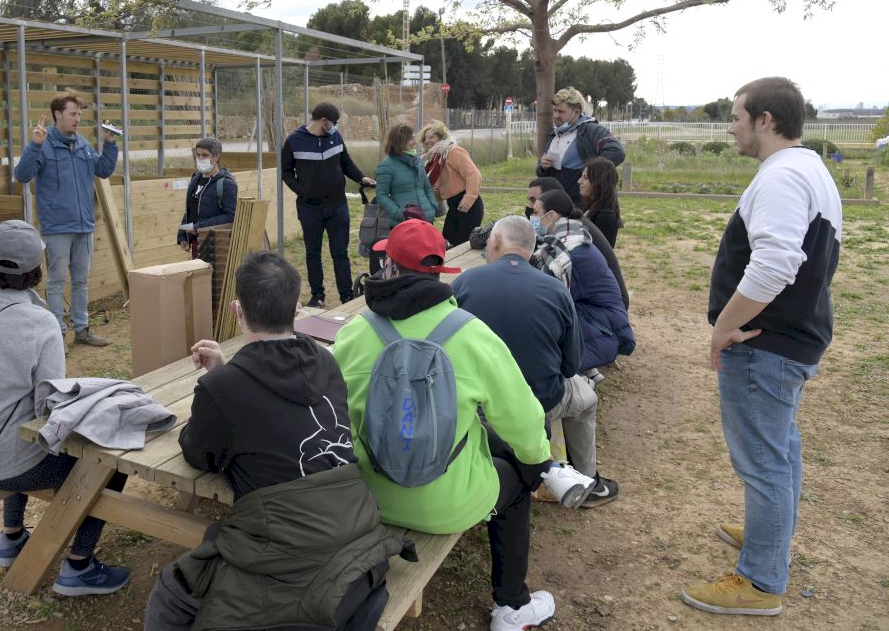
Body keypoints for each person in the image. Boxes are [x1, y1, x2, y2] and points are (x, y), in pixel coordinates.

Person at [333, 219, 595, 631]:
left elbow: (329, 409)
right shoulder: (472, 334)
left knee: (493, 440)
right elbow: (524, 420)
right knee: (516, 477)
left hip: (368, 495)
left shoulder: (355, 332)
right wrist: (536, 460)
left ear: (389, 267)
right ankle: (511, 606)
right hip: (448, 504)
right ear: (440, 272)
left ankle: (547, 471)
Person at [145, 251, 409, 631]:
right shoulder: (326, 362)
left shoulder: (223, 387)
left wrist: (216, 383)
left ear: (237, 310)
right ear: (297, 308)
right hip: (358, 527)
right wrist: (223, 375)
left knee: (171, 596)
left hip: (294, 555)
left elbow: (199, 452)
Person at [681, 78, 842, 617]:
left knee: (764, 462)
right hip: (789, 338)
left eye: (736, 117)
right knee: (781, 448)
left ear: (765, 120)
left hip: (764, 344)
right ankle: (767, 534)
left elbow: (776, 263)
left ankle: (761, 580)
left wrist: (724, 327)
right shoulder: (808, 168)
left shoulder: (782, 177)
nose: (730, 128)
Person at [0, 220, 129, 597]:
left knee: (9, 420)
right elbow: (49, 408)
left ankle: (11, 536)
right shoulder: (40, 322)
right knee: (110, 462)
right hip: (5, 467)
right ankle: (79, 565)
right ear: (35, 270)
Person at [453, 216, 619, 508]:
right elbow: (571, 365)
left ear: (495, 241)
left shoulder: (463, 282)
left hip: (477, 404)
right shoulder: (556, 290)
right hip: (539, 401)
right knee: (587, 399)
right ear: (531, 249)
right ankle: (588, 481)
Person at [13, 92, 118, 347]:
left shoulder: (82, 144)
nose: (77, 118)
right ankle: (57, 334)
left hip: (84, 225)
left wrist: (110, 143)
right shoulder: (44, 144)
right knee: (57, 282)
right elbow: (22, 175)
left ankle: (82, 330)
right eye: (73, 113)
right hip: (57, 227)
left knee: (81, 281)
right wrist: (34, 145)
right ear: (58, 114)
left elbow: (103, 170)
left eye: (79, 114)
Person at [281, 102, 376, 308]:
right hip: (309, 208)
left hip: (337, 205)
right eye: (335, 122)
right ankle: (317, 295)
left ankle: (346, 295)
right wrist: (301, 190)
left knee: (340, 252)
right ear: (324, 121)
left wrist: (361, 178)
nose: (336, 126)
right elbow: (285, 171)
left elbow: (346, 162)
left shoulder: (335, 137)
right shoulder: (294, 140)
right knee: (312, 252)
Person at [532, 190, 635, 374]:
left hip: (605, 327)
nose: (532, 218)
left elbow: (551, 299)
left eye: (536, 212)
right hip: (602, 317)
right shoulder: (571, 238)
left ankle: (577, 378)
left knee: (537, 321)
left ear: (551, 215)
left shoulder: (569, 252)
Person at [527, 176, 628, 309]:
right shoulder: (569, 229)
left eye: (534, 205)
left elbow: (554, 295)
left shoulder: (570, 243)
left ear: (552, 213)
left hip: (600, 312)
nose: (530, 209)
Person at [536, 87, 625, 205]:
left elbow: (616, 152)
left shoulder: (591, 130)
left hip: (582, 204)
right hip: (556, 203)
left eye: (561, 112)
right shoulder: (554, 133)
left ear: (576, 112)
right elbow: (541, 172)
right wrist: (542, 166)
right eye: (555, 110)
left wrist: (589, 173)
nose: (556, 115)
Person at [421, 121, 484, 247]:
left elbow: (473, 175)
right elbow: (442, 188)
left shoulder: (453, 151)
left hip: (467, 204)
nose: (427, 141)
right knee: (447, 244)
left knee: (461, 247)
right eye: (425, 138)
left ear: (441, 137)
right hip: (453, 204)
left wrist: (468, 199)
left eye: (431, 137)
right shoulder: (436, 159)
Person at [176, 137, 238, 255]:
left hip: (216, 246)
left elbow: (230, 216)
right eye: (198, 155)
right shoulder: (196, 179)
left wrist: (199, 227)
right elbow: (190, 210)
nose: (200, 158)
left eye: (205, 155)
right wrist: (183, 235)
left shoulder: (227, 183)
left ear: (216, 157)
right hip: (197, 242)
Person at [577, 157, 622, 248]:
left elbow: (601, 251)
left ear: (599, 181)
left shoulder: (605, 217)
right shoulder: (589, 207)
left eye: (585, 178)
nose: (579, 181)